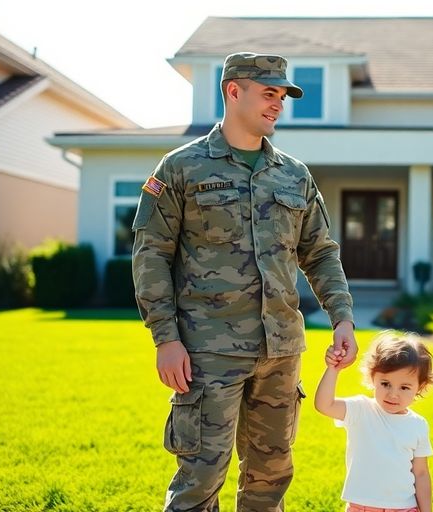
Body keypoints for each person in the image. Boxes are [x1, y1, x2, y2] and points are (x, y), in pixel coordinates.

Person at [131, 51, 357, 512]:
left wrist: (343, 317)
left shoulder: (294, 174)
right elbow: (151, 254)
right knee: (200, 477)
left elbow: (319, 252)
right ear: (234, 91)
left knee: (270, 477)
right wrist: (165, 338)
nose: (278, 104)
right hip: (207, 351)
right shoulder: (181, 168)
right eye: (268, 94)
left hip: (281, 351)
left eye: (282, 96)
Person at [314, 331, 433, 512]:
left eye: (404, 387)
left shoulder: (418, 425)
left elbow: (421, 473)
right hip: (361, 507)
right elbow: (324, 405)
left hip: (404, 507)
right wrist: (334, 369)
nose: (393, 394)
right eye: (385, 384)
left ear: (420, 387)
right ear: (372, 378)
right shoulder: (360, 410)